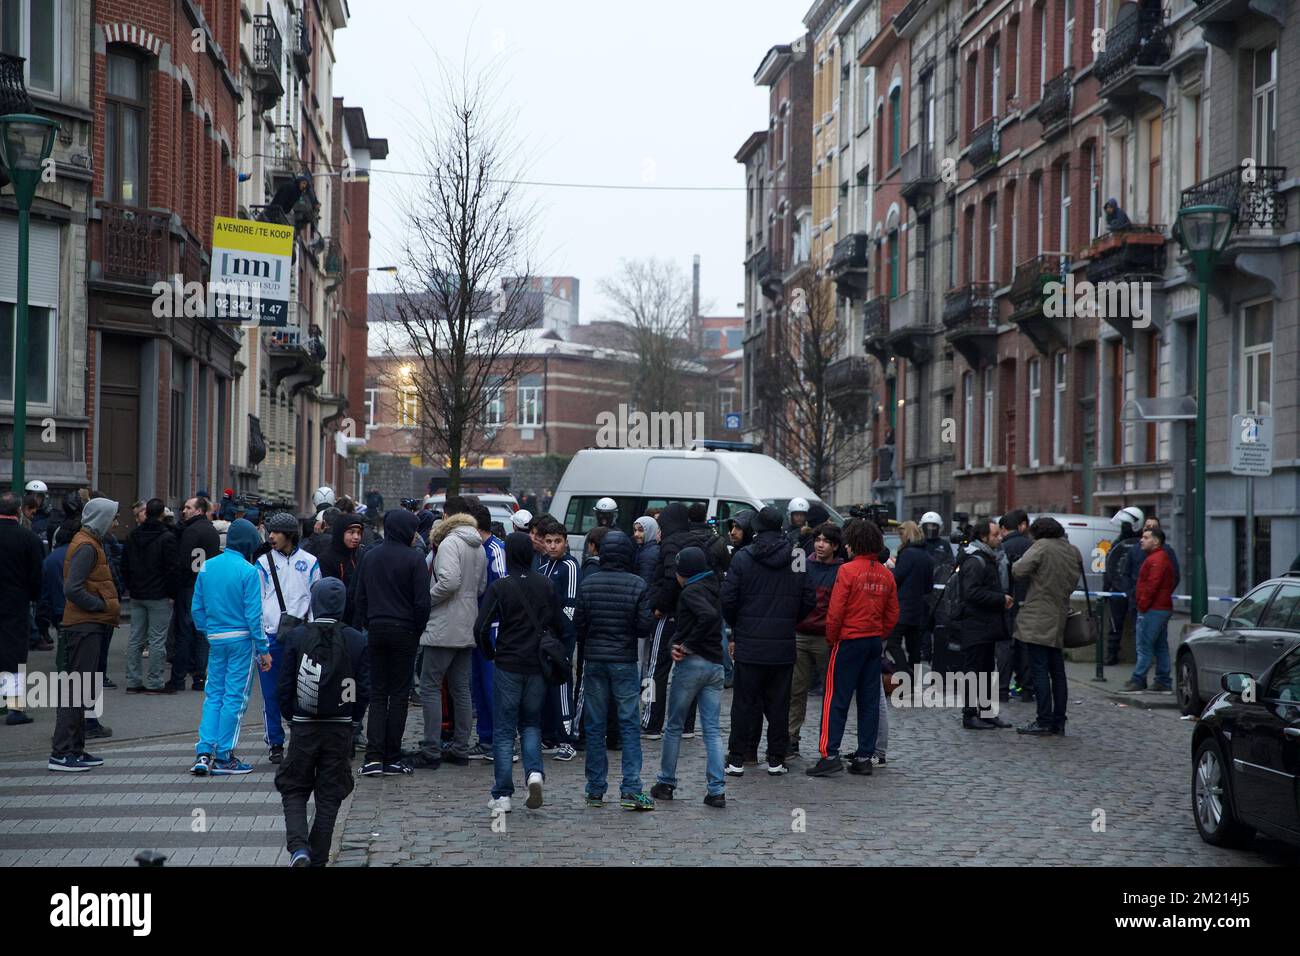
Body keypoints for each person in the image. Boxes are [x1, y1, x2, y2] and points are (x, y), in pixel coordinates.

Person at [275, 577, 368, 866]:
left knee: (294, 787)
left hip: (304, 724)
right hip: (339, 727)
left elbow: (284, 685)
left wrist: (291, 716)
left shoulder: (297, 636)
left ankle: (299, 847)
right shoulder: (356, 639)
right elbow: (364, 688)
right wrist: (353, 720)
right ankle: (316, 859)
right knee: (330, 795)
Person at [474, 532, 566, 814]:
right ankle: (534, 773)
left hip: (508, 662)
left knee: (503, 730)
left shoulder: (501, 587)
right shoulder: (546, 584)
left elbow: (481, 627)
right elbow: (558, 624)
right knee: (531, 724)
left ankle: (502, 795)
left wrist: (490, 652)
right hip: (537, 664)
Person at [807, 518, 899, 777]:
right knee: (869, 701)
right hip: (872, 642)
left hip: (848, 640)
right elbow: (892, 614)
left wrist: (832, 638)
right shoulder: (885, 574)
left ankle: (830, 754)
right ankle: (863, 756)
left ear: (853, 543)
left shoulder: (847, 571)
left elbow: (835, 612)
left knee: (835, 698)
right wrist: (879, 635)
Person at [572, 529, 655, 809]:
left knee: (594, 726)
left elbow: (579, 627)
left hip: (595, 659)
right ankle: (631, 789)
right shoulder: (637, 584)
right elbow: (645, 626)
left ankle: (595, 789)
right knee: (628, 724)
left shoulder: (588, 583)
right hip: (623, 660)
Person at [721, 505, 806, 775]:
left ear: (756, 527)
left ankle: (737, 759)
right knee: (779, 703)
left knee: (744, 702)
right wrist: (790, 621)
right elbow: (808, 598)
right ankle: (776, 759)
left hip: (749, 642)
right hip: (782, 643)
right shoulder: (797, 556)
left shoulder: (744, 556)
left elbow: (729, 598)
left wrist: (738, 625)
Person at [191, 518, 273, 774]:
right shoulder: (249, 571)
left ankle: (204, 752)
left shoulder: (207, 566)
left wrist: (209, 631)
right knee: (235, 698)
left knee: (213, 694)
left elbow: (197, 609)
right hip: (241, 640)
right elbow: (254, 616)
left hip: (216, 639)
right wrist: (263, 648)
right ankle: (225, 755)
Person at [354, 509, 430, 776]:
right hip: (405, 630)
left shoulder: (370, 556)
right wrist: (417, 628)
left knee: (377, 693)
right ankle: (392, 756)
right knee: (399, 695)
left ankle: (373, 757)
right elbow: (422, 601)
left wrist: (367, 621)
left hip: (376, 628)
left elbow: (359, 595)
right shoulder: (415, 559)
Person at [651, 545, 727, 807]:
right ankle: (716, 790)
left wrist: (686, 645)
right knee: (712, 730)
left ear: (684, 573)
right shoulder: (713, 586)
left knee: (673, 726)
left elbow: (707, 617)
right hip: (715, 667)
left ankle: (666, 783)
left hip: (693, 665)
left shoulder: (691, 591)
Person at [49, 497, 120, 771]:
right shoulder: (87, 546)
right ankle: (63, 751)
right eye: (112, 517)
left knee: (83, 689)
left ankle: (74, 750)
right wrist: (101, 605)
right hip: (84, 626)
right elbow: (73, 588)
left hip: (87, 625)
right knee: (77, 689)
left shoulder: (89, 542)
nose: (116, 522)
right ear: (101, 518)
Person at [414, 509, 487, 769]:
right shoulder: (478, 546)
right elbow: (479, 586)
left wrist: (425, 602)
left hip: (444, 624)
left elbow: (448, 582)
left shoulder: (448, 544)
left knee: (430, 685)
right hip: (468, 621)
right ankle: (460, 747)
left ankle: (432, 748)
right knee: (460, 688)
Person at [255, 512, 321, 765]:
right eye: (270, 531)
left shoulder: (311, 562)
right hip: (272, 636)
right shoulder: (262, 563)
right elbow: (257, 602)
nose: (271, 536)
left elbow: (315, 599)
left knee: (303, 691)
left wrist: (315, 631)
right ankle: (275, 741)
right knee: (271, 693)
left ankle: (301, 739)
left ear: (290, 535)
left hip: (302, 636)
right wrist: (260, 637)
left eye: (277, 532)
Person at [1010, 516, 1083, 735]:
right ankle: (1058, 721)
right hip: (1060, 615)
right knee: (1058, 672)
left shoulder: (1042, 547)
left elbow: (1019, 570)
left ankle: (1043, 720)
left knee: (1039, 670)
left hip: (1038, 617)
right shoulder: (1072, 550)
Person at [788, 523, 844, 761]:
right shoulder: (803, 564)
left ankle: (829, 744)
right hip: (800, 634)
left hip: (826, 638)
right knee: (795, 691)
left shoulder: (842, 569)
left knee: (831, 694)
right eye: (818, 539)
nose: (820, 544)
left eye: (826, 541)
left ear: (835, 546)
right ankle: (791, 740)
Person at [954, 519, 1013, 730]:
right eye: (995, 534)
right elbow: (971, 593)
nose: (1000, 537)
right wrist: (1000, 599)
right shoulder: (975, 560)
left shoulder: (990, 558)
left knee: (987, 669)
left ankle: (986, 712)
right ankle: (970, 715)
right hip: (975, 623)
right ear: (983, 537)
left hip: (988, 624)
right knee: (974, 669)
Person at [122, 499, 178, 694]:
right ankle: (155, 681)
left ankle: (133, 680)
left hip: (137, 593)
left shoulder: (132, 536)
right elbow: (172, 569)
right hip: (159, 594)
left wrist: (130, 586)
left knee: (135, 638)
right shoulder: (167, 537)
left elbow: (125, 566)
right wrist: (172, 593)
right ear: (162, 513)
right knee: (157, 640)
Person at [536, 518, 580, 759]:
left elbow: (570, 606)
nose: (553, 546)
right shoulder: (544, 567)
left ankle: (567, 740)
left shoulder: (570, 567)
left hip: (561, 637)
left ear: (565, 542)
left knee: (562, 686)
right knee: (546, 686)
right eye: (549, 541)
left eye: (558, 541)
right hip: (546, 636)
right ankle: (550, 735)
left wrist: (560, 635)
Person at [0, 492, 44, 726]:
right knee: (14, 656)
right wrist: (33, 598)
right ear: (18, 511)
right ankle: (15, 708)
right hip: (16, 603)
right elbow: (37, 576)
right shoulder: (28, 539)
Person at [168, 495, 220, 692]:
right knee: (202, 633)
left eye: (188, 507)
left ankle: (178, 678)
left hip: (190, 586)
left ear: (198, 510)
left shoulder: (190, 532)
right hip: (207, 586)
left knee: (183, 633)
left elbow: (183, 564)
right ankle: (200, 677)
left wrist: (175, 590)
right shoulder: (211, 531)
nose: (184, 511)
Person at [468, 503, 506, 760]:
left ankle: (500, 739)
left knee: (492, 685)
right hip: (478, 625)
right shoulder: (477, 549)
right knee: (478, 685)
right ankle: (485, 737)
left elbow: (503, 588)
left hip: (493, 627)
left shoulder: (496, 549)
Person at [1123, 526, 1176, 694]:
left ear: (1156, 541)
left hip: (1153, 608)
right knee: (1160, 645)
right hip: (1160, 607)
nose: (1141, 540)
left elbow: (1152, 585)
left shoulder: (1156, 560)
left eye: (1146, 537)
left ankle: (1138, 679)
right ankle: (1163, 680)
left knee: (1144, 645)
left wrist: (1142, 605)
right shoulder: (1158, 558)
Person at [997, 509, 1035, 701]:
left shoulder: (1002, 547)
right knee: (1026, 646)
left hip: (1008, 602)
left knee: (1005, 647)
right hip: (1028, 601)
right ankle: (1027, 687)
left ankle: (1003, 688)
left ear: (1004, 528)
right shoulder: (1032, 545)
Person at [886, 520, 933, 672]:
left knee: (893, 643)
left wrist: (888, 571)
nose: (900, 537)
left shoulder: (907, 554)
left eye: (901, 534)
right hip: (919, 608)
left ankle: (905, 672)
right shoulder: (926, 555)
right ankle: (913, 683)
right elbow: (928, 586)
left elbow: (897, 577)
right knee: (914, 648)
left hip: (903, 607)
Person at [1104, 506, 1143, 666]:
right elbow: (1110, 566)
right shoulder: (1118, 543)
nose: (1123, 528)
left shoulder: (1142, 543)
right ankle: (1112, 654)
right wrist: (1106, 590)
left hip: (1135, 590)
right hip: (1118, 588)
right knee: (1115, 624)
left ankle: (1139, 657)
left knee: (1137, 626)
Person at [317, 513, 367, 627]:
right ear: (341, 533)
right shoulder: (327, 558)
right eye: (351, 532)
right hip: (335, 620)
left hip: (358, 618)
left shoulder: (361, 555)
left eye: (359, 533)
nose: (356, 537)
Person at [633, 515, 660, 586]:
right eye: (635, 530)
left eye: (641, 530)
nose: (636, 534)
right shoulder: (644, 549)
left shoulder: (649, 554)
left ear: (651, 530)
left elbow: (645, 582)